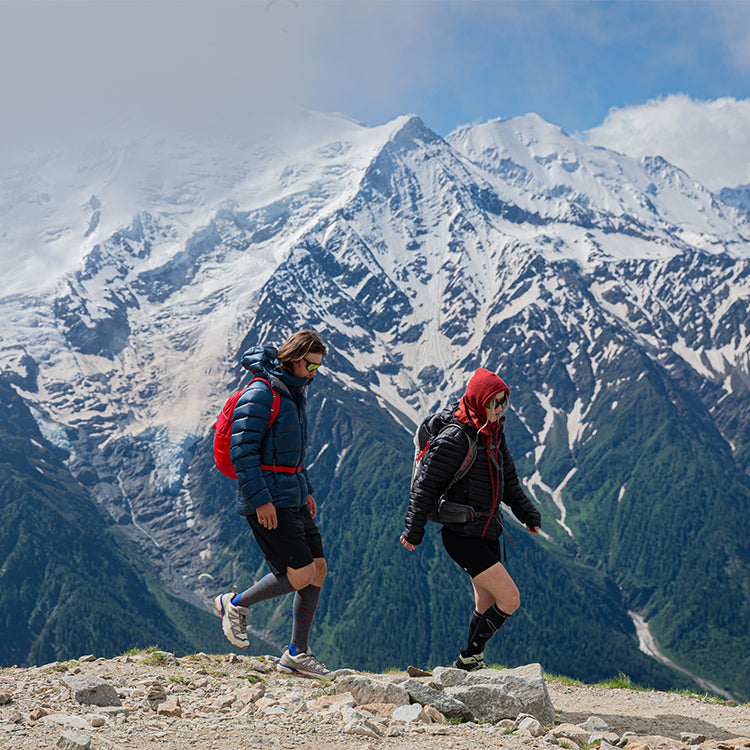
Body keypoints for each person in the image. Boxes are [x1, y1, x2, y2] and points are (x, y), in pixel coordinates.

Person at [400, 367, 541, 671]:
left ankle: (471, 663)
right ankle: (468, 660)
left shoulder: (493, 431)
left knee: (486, 603)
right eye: (494, 402)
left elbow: (510, 482)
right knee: (510, 599)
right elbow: (425, 485)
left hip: (488, 531)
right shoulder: (455, 438)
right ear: (479, 400)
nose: (500, 409)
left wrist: (527, 514)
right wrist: (414, 530)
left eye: (504, 401)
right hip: (462, 536)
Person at [214, 329, 333, 679]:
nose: (315, 374)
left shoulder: (293, 394)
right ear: (294, 359)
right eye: (311, 366)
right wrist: (261, 500)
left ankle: (296, 654)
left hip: (291, 494)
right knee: (299, 575)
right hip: (267, 499)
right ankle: (234, 604)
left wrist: (306, 488)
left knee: (318, 568)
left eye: (318, 368)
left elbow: (293, 454)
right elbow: (243, 452)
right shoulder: (261, 393)